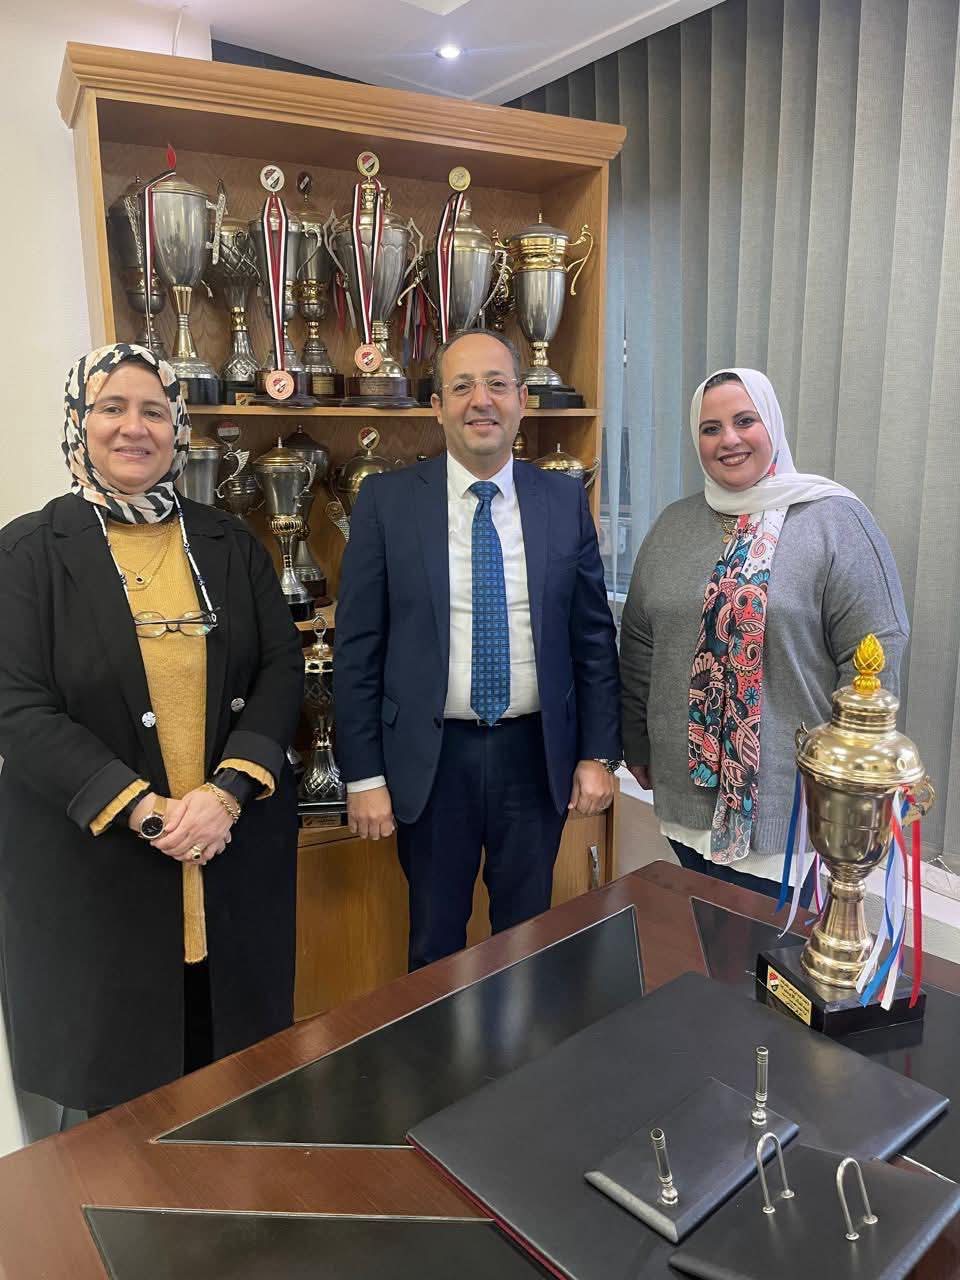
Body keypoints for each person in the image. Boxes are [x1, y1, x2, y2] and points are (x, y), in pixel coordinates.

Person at [0, 343, 304, 1122]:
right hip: (96, 881)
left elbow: (281, 668)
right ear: (79, 421)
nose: (133, 427)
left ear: (178, 429)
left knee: (232, 1083)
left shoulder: (230, 544)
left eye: (154, 410)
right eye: (111, 408)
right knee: (118, 1118)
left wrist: (226, 794)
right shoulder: (27, 553)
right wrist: (146, 809)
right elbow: (17, 705)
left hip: (229, 861)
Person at [334, 329, 621, 969]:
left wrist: (599, 753)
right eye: (461, 386)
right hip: (431, 762)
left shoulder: (562, 501)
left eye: (496, 384)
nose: (480, 400)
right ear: (437, 406)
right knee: (435, 943)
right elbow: (358, 650)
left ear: (522, 400)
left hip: (535, 757)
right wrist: (365, 775)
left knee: (526, 940)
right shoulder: (387, 503)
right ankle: (441, 1041)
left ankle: (520, 1039)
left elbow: (592, 638)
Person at [620, 368, 909, 899]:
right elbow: (639, 643)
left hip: (793, 808)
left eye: (744, 421)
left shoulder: (835, 522)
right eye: (710, 428)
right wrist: (636, 742)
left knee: (774, 951)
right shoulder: (672, 526)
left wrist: (852, 784)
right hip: (684, 800)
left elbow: (873, 655)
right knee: (696, 941)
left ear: (771, 424)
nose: (728, 439)